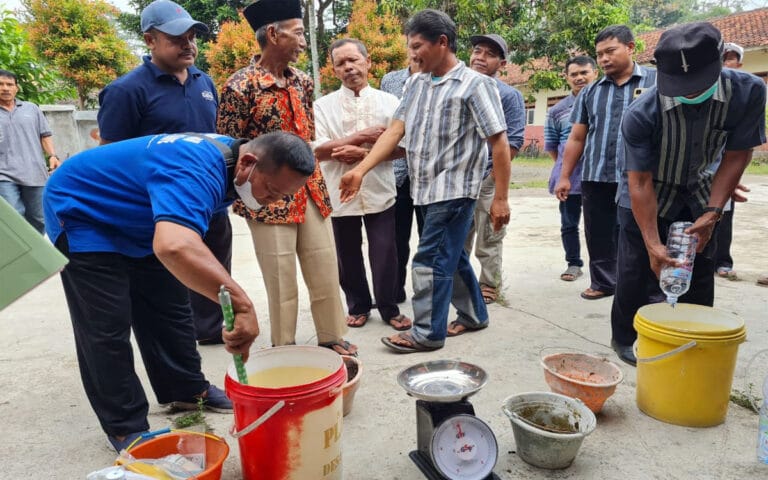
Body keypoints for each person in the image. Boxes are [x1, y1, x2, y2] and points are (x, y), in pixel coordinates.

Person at [44, 131, 314, 451]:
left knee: (170, 309)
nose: (274, 201)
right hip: (83, 211)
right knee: (106, 326)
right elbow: (173, 244)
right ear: (249, 164)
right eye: (271, 190)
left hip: (141, 217)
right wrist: (242, 304)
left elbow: (178, 242)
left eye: (283, 195)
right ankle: (124, 426)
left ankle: (185, 389)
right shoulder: (195, 168)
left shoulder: (235, 160)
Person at [340, 9, 511, 353]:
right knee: (452, 257)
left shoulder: (476, 85)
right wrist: (362, 168)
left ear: (442, 43)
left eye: (417, 46)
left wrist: (501, 198)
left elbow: (499, 143)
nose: (412, 54)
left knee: (430, 260)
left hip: (455, 190)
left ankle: (427, 332)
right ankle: (475, 314)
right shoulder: (417, 83)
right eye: (410, 46)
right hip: (423, 189)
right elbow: (396, 131)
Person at [610, 22, 765, 365]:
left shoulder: (749, 92)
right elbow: (640, 182)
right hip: (650, 191)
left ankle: (693, 335)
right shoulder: (641, 113)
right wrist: (652, 243)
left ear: (721, 60)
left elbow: (737, 153)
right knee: (636, 270)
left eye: (699, 83)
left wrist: (713, 213)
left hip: (701, 189)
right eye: (681, 86)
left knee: (697, 267)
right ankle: (624, 337)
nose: (690, 92)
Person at [217, 0, 356, 355]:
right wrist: (244, 198)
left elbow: (308, 137)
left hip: (310, 190)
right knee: (280, 280)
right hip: (267, 197)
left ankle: (332, 337)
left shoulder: (303, 83)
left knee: (325, 265)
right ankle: (285, 347)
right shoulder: (239, 87)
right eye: (298, 33)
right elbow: (229, 150)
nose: (303, 41)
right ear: (274, 34)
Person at [97, 0, 227, 345]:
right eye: (176, 38)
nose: (188, 44)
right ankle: (181, 340)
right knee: (171, 280)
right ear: (150, 40)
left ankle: (213, 330)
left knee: (215, 269)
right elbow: (110, 158)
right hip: (161, 208)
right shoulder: (126, 91)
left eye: (192, 36)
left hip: (209, 201)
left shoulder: (204, 82)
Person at [314, 38, 412, 331]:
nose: (349, 68)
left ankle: (389, 307)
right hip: (340, 190)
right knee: (347, 254)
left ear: (368, 62)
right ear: (333, 70)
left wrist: (362, 155)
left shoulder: (389, 103)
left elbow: (402, 148)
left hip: (380, 188)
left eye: (354, 60)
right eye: (341, 63)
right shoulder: (322, 106)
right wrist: (358, 139)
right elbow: (318, 149)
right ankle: (357, 305)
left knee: (385, 250)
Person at [555, 25, 657, 300]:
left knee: (636, 232)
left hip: (641, 176)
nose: (603, 60)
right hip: (597, 174)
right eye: (599, 55)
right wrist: (565, 176)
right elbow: (577, 137)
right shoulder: (591, 92)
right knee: (598, 233)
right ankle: (602, 282)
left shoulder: (655, 83)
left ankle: (639, 284)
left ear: (631, 48)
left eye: (610, 51)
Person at [464, 33, 525, 304]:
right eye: (477, 51)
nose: (480, 57)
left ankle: (489, 284)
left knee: (490, 234)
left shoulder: (509, 96)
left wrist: (495, 179)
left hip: (489, 175)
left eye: (489, 54)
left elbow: (513, 141)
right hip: (459, 176)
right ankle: (458, 282)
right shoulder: (458, 87)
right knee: (458, 236)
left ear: (502, 63)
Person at [545, 56, 599, 282]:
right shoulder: (557, 110)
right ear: (566, 78)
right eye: (574, 74)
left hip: (599, 176)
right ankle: (574, 263)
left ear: (595, 73)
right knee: (569, 223)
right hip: (569, 178)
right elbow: (552, 146)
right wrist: (565, 170)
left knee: (600, 224)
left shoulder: (603, 101)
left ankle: (602, 267)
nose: (579, 78)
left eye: (584, 72)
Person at [380, 59, 423, 303]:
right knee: (396, 239)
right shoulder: (391, 80)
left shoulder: (441, 77)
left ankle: (428, 292)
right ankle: (394, 290)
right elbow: (388, 124)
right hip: (397, 174)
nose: (415, 52)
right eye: (412, 45)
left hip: (427, 174)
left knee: (429, 239)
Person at [0, 69, 60, 234]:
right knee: (14, 217)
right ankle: (24, 257)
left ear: (16, 88)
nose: (5, 88)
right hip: (4, 175)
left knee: (39, 219)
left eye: (9, 84)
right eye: (1, 84)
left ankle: (41, 256)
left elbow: (45, 135)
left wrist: (53, 156)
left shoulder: (31, 109)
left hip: (34, 171)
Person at [712, 42, 745, 279]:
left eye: (730, 59)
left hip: (726, 163)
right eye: (721, 58)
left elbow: (743, 145)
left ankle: (723, 261)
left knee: (723, 213)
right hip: (699, 165)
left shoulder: (744, 96)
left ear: (739, 64)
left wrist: (734, 175)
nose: (725, 64)